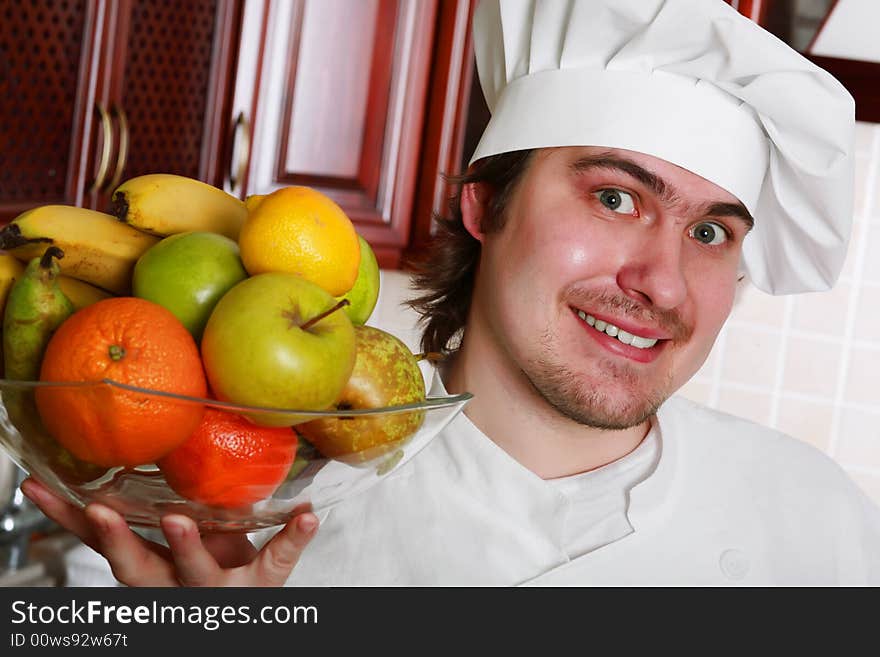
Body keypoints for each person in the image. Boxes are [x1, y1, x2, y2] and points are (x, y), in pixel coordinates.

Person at [23, 0, 880, 586]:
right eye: (615, 197)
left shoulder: (821, 523)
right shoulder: (224, 512)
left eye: (709, 233)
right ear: (484, 203)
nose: (659, 281)